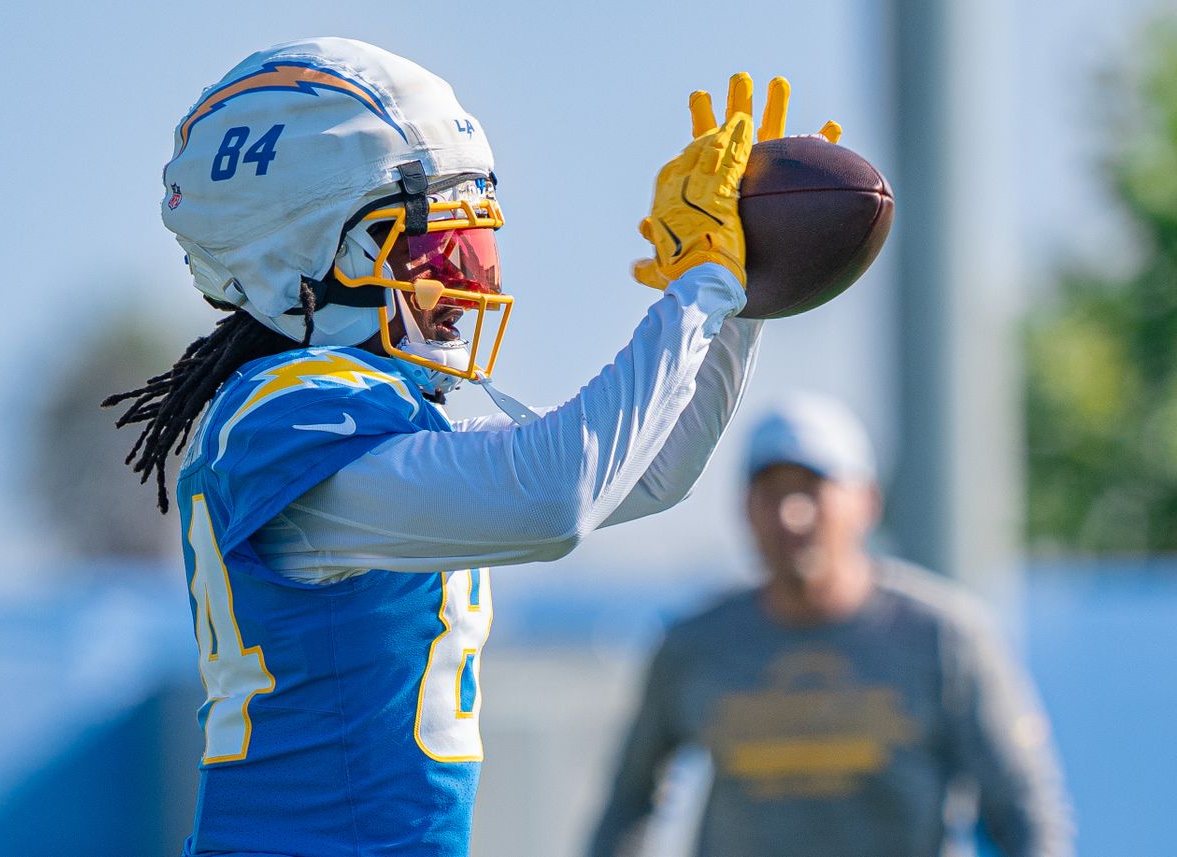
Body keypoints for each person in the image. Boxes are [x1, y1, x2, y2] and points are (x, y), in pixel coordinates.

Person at [102, 37, 840, 857]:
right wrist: (701, 290)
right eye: (433, 246)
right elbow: (561, 496)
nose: (471, 280)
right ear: (305, 256)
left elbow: (653, 471)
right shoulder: (293, 416)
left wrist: (740, 299)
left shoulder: (381, 417)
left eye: (477, 242)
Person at [588, 393, 1074, 857]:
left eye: (812, 489)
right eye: (771, 492)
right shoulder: (695, 645)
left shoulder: (943, 637)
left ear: (867, 501)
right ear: (745, 508)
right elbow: (628, 804)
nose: (791, 515)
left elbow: (1025, 812)